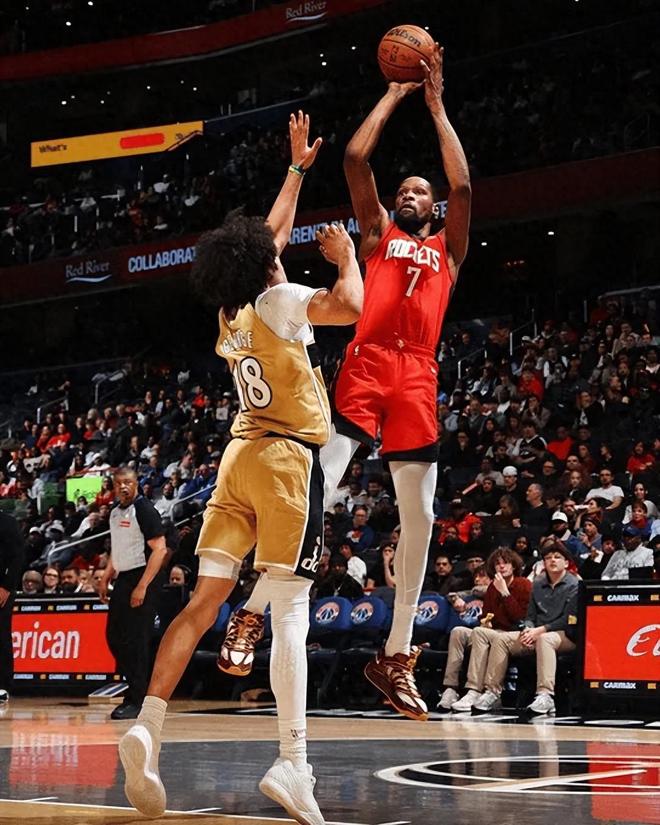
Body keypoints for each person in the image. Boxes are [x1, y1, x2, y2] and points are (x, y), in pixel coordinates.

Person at [119, 111, 362, 825]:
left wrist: (295, 171)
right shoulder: (283, 299)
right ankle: (292, 761)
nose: (277, 250)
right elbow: (349, 305)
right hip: (287, 461)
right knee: (291, 610)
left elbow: (267, 238)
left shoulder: (232, 311)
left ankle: (149, 725)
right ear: (265, 267)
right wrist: (347, 256)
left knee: (202, 604)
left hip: (237, 460)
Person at [225, 44, 471, 724]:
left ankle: (395, 656)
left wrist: (436, 107)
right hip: (368, 362)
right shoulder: (376, 234)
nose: (410, 195)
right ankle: (252, 610)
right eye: (404, 190)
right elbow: (357, 159)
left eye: (420, 191)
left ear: (435, 208)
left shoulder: (449, 248)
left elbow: (464, 188)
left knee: (421, 516)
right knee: (321, 486)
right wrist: (394, 93)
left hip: (418, 372)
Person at [475, 542, 579, 716]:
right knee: (501, 639)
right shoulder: (537, 584)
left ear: (566, 563)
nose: (552, 560)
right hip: (536, 632)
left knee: (546, 639)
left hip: (565, 634)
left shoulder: (574, 584)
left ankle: (546, 695)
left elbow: (567, 620)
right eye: (548, 558)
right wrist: (528, 630)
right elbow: (530, 616)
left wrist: (539, 631)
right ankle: (492, 692)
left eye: (557, 557)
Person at [100, 468, 167, 721]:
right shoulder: (115, 512)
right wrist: (107, 575)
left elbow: (160, 550)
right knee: (115, 636)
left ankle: (138, 699)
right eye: (118, 483)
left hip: (143, 575)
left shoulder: (144, 509)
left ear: (136, 484)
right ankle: (137, 687)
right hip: (124, 576)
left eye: (127, 482)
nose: (123, 487)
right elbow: (118, 548)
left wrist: (143, 586)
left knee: (136, 639)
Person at [446, 548, 531, 712]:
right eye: (497, 564)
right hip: (492, 632)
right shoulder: (492, 587)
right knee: (458, 631)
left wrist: (505, 592)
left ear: (514, 566)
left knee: (479, 633)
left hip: (513, 633)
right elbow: (486, 615)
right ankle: (451, 688)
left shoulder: (524, 584)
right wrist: (485, 622)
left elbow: (521, 618)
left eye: (506, 563)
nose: (501, 566)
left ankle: (474, 690)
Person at [0, 512, 25, 702]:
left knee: (1, 636)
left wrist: (7, 587)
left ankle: (3, 685)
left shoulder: (7, 521)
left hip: (1, 587)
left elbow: (17, 556)